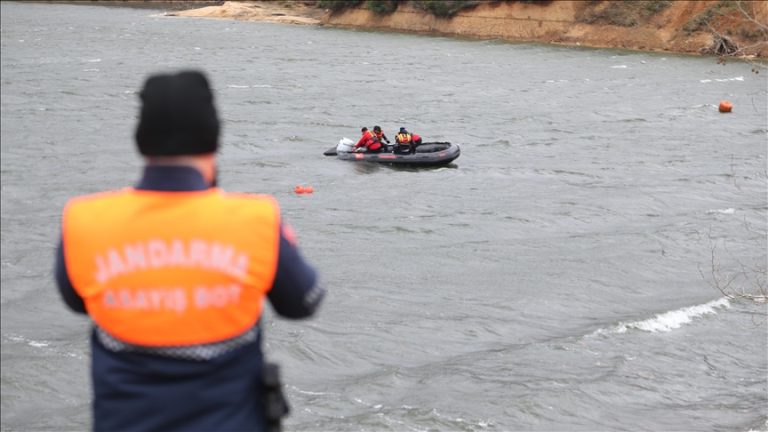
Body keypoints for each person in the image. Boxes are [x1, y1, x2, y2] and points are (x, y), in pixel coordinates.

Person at [54, 70, 325, 432]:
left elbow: (76, 301)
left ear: (141, 139)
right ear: (214, 138)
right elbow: (303, 301)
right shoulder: (256, 218)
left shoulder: (83, 219)